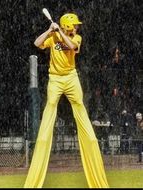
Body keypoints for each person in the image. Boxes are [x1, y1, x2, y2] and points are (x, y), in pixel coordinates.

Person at [24, 13, 109, 188]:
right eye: (74, 25)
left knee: (79, 105)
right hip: (55, 78)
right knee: (51, 106)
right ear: (67, 25)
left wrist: (60, 33)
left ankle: (89, 138)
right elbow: (37, 43)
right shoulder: (53, 35)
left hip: (71, 77)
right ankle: (43, 139)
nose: (77, 27)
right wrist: (49, 30)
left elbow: (72, 47)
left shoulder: (76, 37)